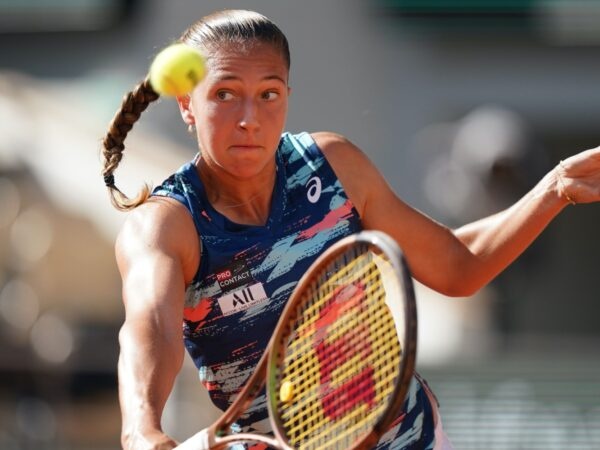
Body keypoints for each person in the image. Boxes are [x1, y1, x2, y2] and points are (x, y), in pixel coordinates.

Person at [100, 9, 600, 450]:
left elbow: (455, 266)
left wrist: (554, 188)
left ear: (288, 97)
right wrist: (140, 429)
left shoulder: (332, 166)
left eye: (268, 94)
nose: (250, 118)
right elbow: (153, 329)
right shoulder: (168, 224)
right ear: (188, 103)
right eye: (225, 94)